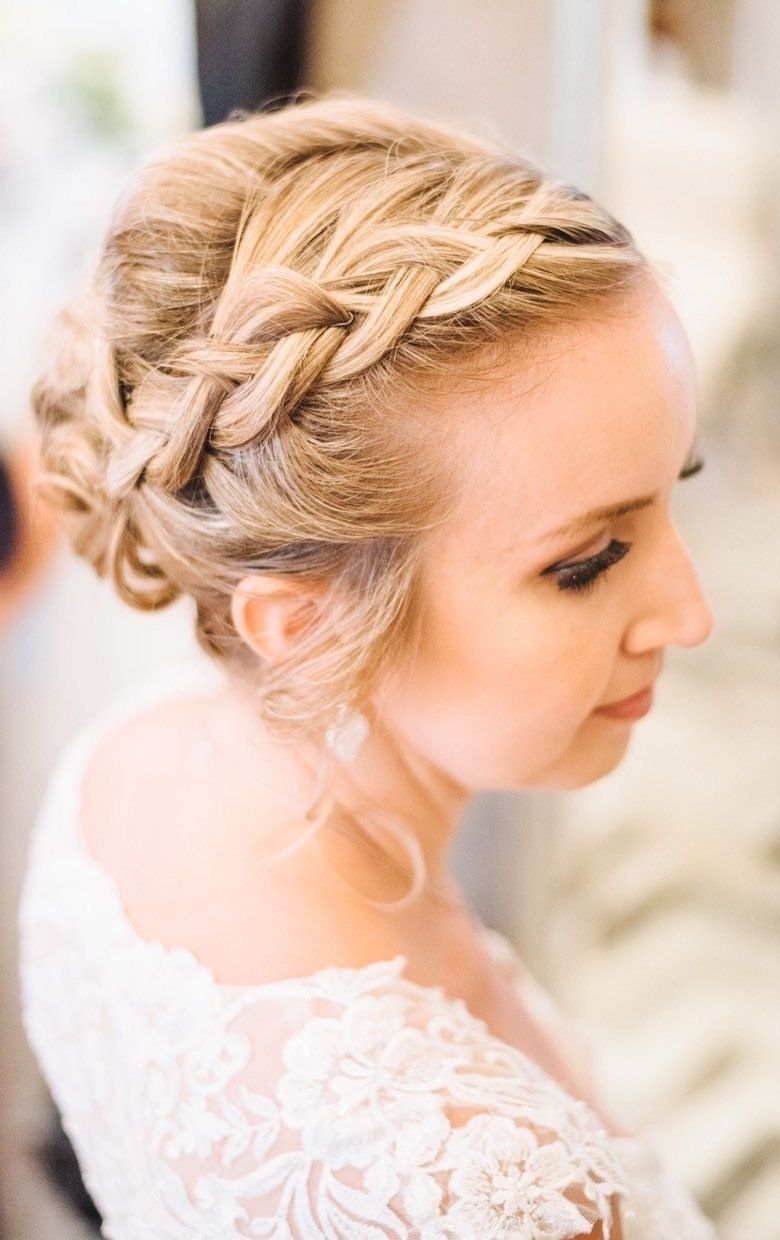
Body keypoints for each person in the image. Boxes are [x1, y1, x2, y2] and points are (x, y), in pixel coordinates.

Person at [17, 91, 718, 1238]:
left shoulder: (126, 764)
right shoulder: (486, 1193)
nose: (689, 614)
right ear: (308, 625)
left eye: (672, 491)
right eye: (589, 561)